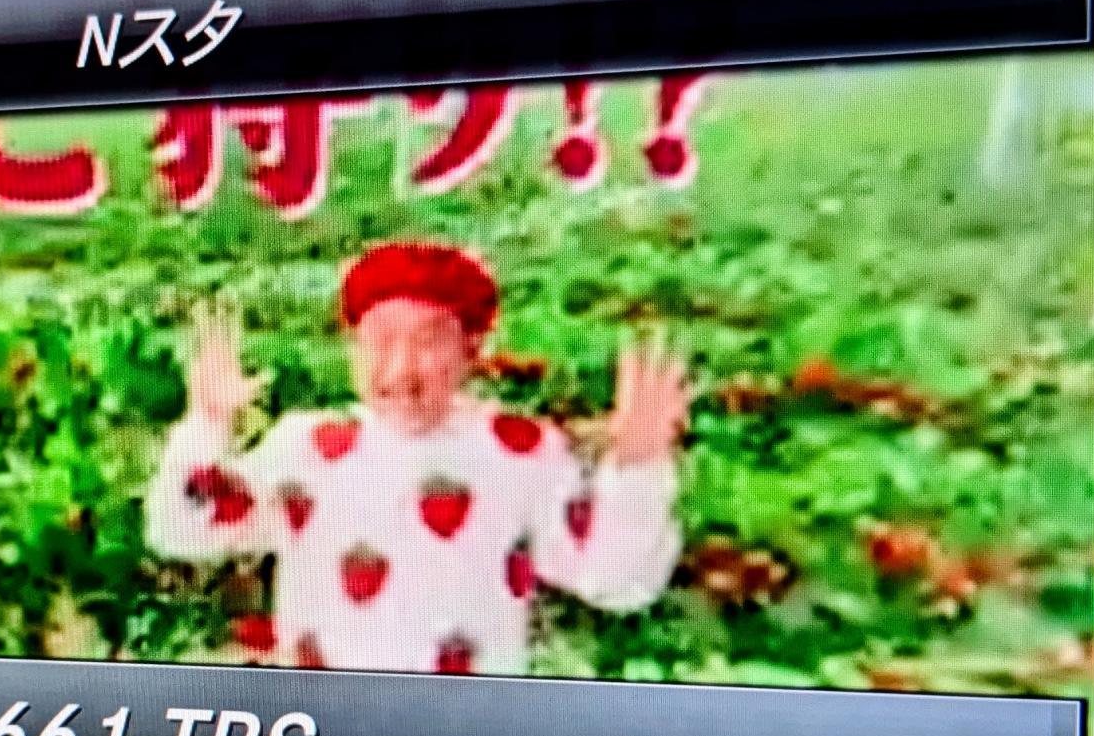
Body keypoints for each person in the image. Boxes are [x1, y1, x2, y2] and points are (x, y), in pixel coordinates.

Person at [145, 240, 689, 674]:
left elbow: (612, 579)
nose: (401, 369)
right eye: (380, 342)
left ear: (472, 350)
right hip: (324, 732)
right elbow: (183, 532)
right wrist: (206, 427)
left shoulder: (521, 452)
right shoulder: (305, 449)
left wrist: (637, 471)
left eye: (428, 343)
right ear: (353, 347)